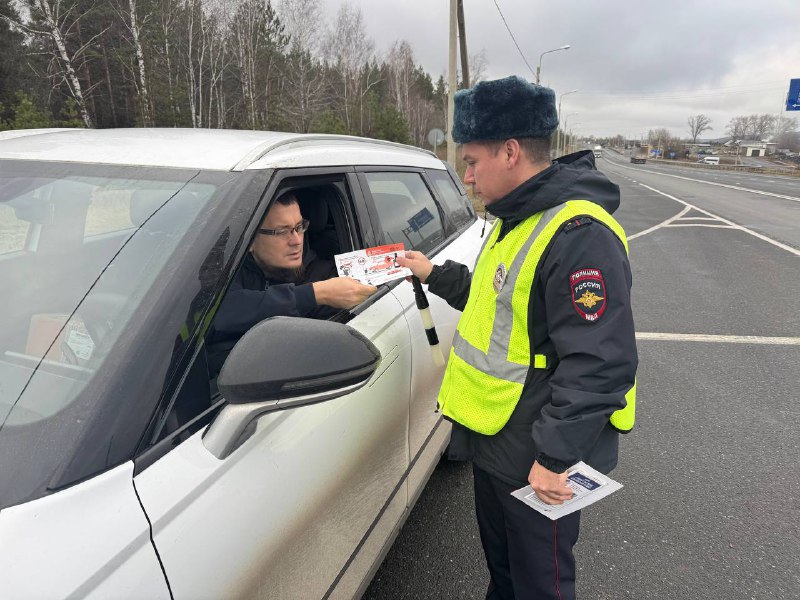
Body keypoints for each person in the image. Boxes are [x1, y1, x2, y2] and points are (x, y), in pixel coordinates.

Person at [396, 76, 638, 600]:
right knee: (505, 575)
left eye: (471, 161)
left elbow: (600, 362)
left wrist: (554, 459)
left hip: (536, 454)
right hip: (498, 441)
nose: (466, 176)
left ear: (510, 152)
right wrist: (432, 273)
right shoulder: (515, 219)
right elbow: (498, 303)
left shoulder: (578, 234)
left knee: (539, 585)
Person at [207, 192, 376, 373]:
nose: (296, 241)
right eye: (282, 231)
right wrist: (313, 295)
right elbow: (221, 313)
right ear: (250, 241)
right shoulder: (228, 271)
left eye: (299, 227)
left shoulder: (325, 276)